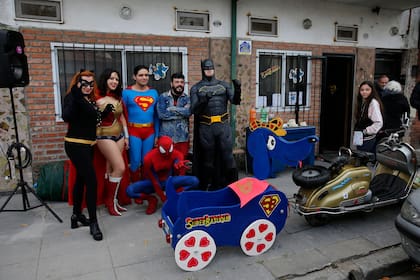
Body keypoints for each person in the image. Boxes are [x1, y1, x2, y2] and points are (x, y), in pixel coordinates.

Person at [62, 70, 104, 241]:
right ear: (77, 83)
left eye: (91, 83)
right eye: (84, 83)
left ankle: (76, 215)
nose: (88, 86)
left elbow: (94, 120)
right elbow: (67, 117)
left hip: (89, 146)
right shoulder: (72, 97)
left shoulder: (89, 99)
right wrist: (77, 97)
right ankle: (93, 223)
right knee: (91, 182)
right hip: (75, 145)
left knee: (80, 179)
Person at [190, 58, 241, 190]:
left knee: (228, 157)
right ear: (202, 69)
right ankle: (208, 186)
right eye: (206, 68)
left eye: (211, 67)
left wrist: (238, 88)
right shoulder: (196, 88)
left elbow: (235, 101)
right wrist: (203, 100)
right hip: (206, 127)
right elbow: (193, 110)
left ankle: (235, 186)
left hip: (223, 126)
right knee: (208, 159)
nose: (209, 70)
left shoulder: (224, 85)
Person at [126, 136, 198, 214]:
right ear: (158, 147)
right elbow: (154, 181)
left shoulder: (177, 154)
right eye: (164, 151)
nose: (167, 154)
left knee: (195, 181)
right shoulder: (149, 158)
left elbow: (179, 165)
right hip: (153, 183)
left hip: (169, 181)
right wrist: (164, 199)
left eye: (169, 150)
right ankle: (152, 199)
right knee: (130, 190)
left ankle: (175, 195)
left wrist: (178, 165)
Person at [95, 69, 131, 216]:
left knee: (111, 170)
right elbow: (93, 121)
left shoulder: (118, 99)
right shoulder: (97, 99)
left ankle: (113, 200)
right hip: (104, 136)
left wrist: (127, 136)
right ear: (105, 80)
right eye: (111, 78)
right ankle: (109, 202)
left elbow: (122, 118)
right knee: (120, 167)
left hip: (120, 136)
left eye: (116, 79)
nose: (114, 81)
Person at [122, 65, 159, 182]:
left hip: (150, 131)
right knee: (135, 161)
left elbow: (156, 116)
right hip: (134, 131)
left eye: (146, 75)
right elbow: (122, 115)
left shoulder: (154, 92)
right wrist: (125, 135)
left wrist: (157, 135)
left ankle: (144, 188)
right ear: (134, 77)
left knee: (146, 161)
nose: (144, 77)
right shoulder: (126, 93)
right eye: (141, 75)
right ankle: (135, 188)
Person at [157, 73, 191, 158]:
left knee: (181, 163)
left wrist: (171, 108)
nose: (179, 84)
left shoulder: (187, 98)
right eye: (177, 82)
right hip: (166, 138)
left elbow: (188, 112)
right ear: (171, 84)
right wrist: (181, 112)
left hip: (182, 138)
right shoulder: (163, 97)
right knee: (167, 163)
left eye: (182, 82)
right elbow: (162, 114)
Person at [354, 80, 384, 153]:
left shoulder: (373, 103)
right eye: (362, 90)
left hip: (367, 138)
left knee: (364, 158)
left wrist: (366, 131)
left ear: (372, 90)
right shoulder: (364, 102)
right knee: (359, 155)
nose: (364, 92)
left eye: (367, 90)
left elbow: (378, 122)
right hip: (360, 137)